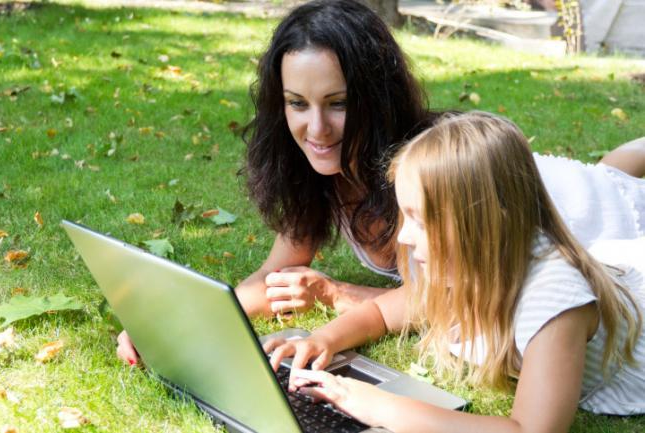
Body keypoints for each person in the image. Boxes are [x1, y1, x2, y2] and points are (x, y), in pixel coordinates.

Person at [115, 0, 645, 365]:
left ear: (376, 97)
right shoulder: (315, 169)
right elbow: (274, 277)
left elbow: (444, 301)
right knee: (613, 168)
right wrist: (172, 320)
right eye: (297, 103)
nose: (316, 129)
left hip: (587, 214)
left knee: (615, 184)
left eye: (338, 103)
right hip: (575, 185)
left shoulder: (424, 168)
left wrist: (335, 293)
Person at [265, 112, 645, 432]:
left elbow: (531, 429)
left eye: (420, 220)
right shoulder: (465, 264)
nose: (405, 237)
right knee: (614, 171)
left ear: (483, 224)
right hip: (619, 263)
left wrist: (378, 406)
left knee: (617, 180)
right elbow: (381, 312)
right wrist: (323, 340)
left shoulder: (555, 301)